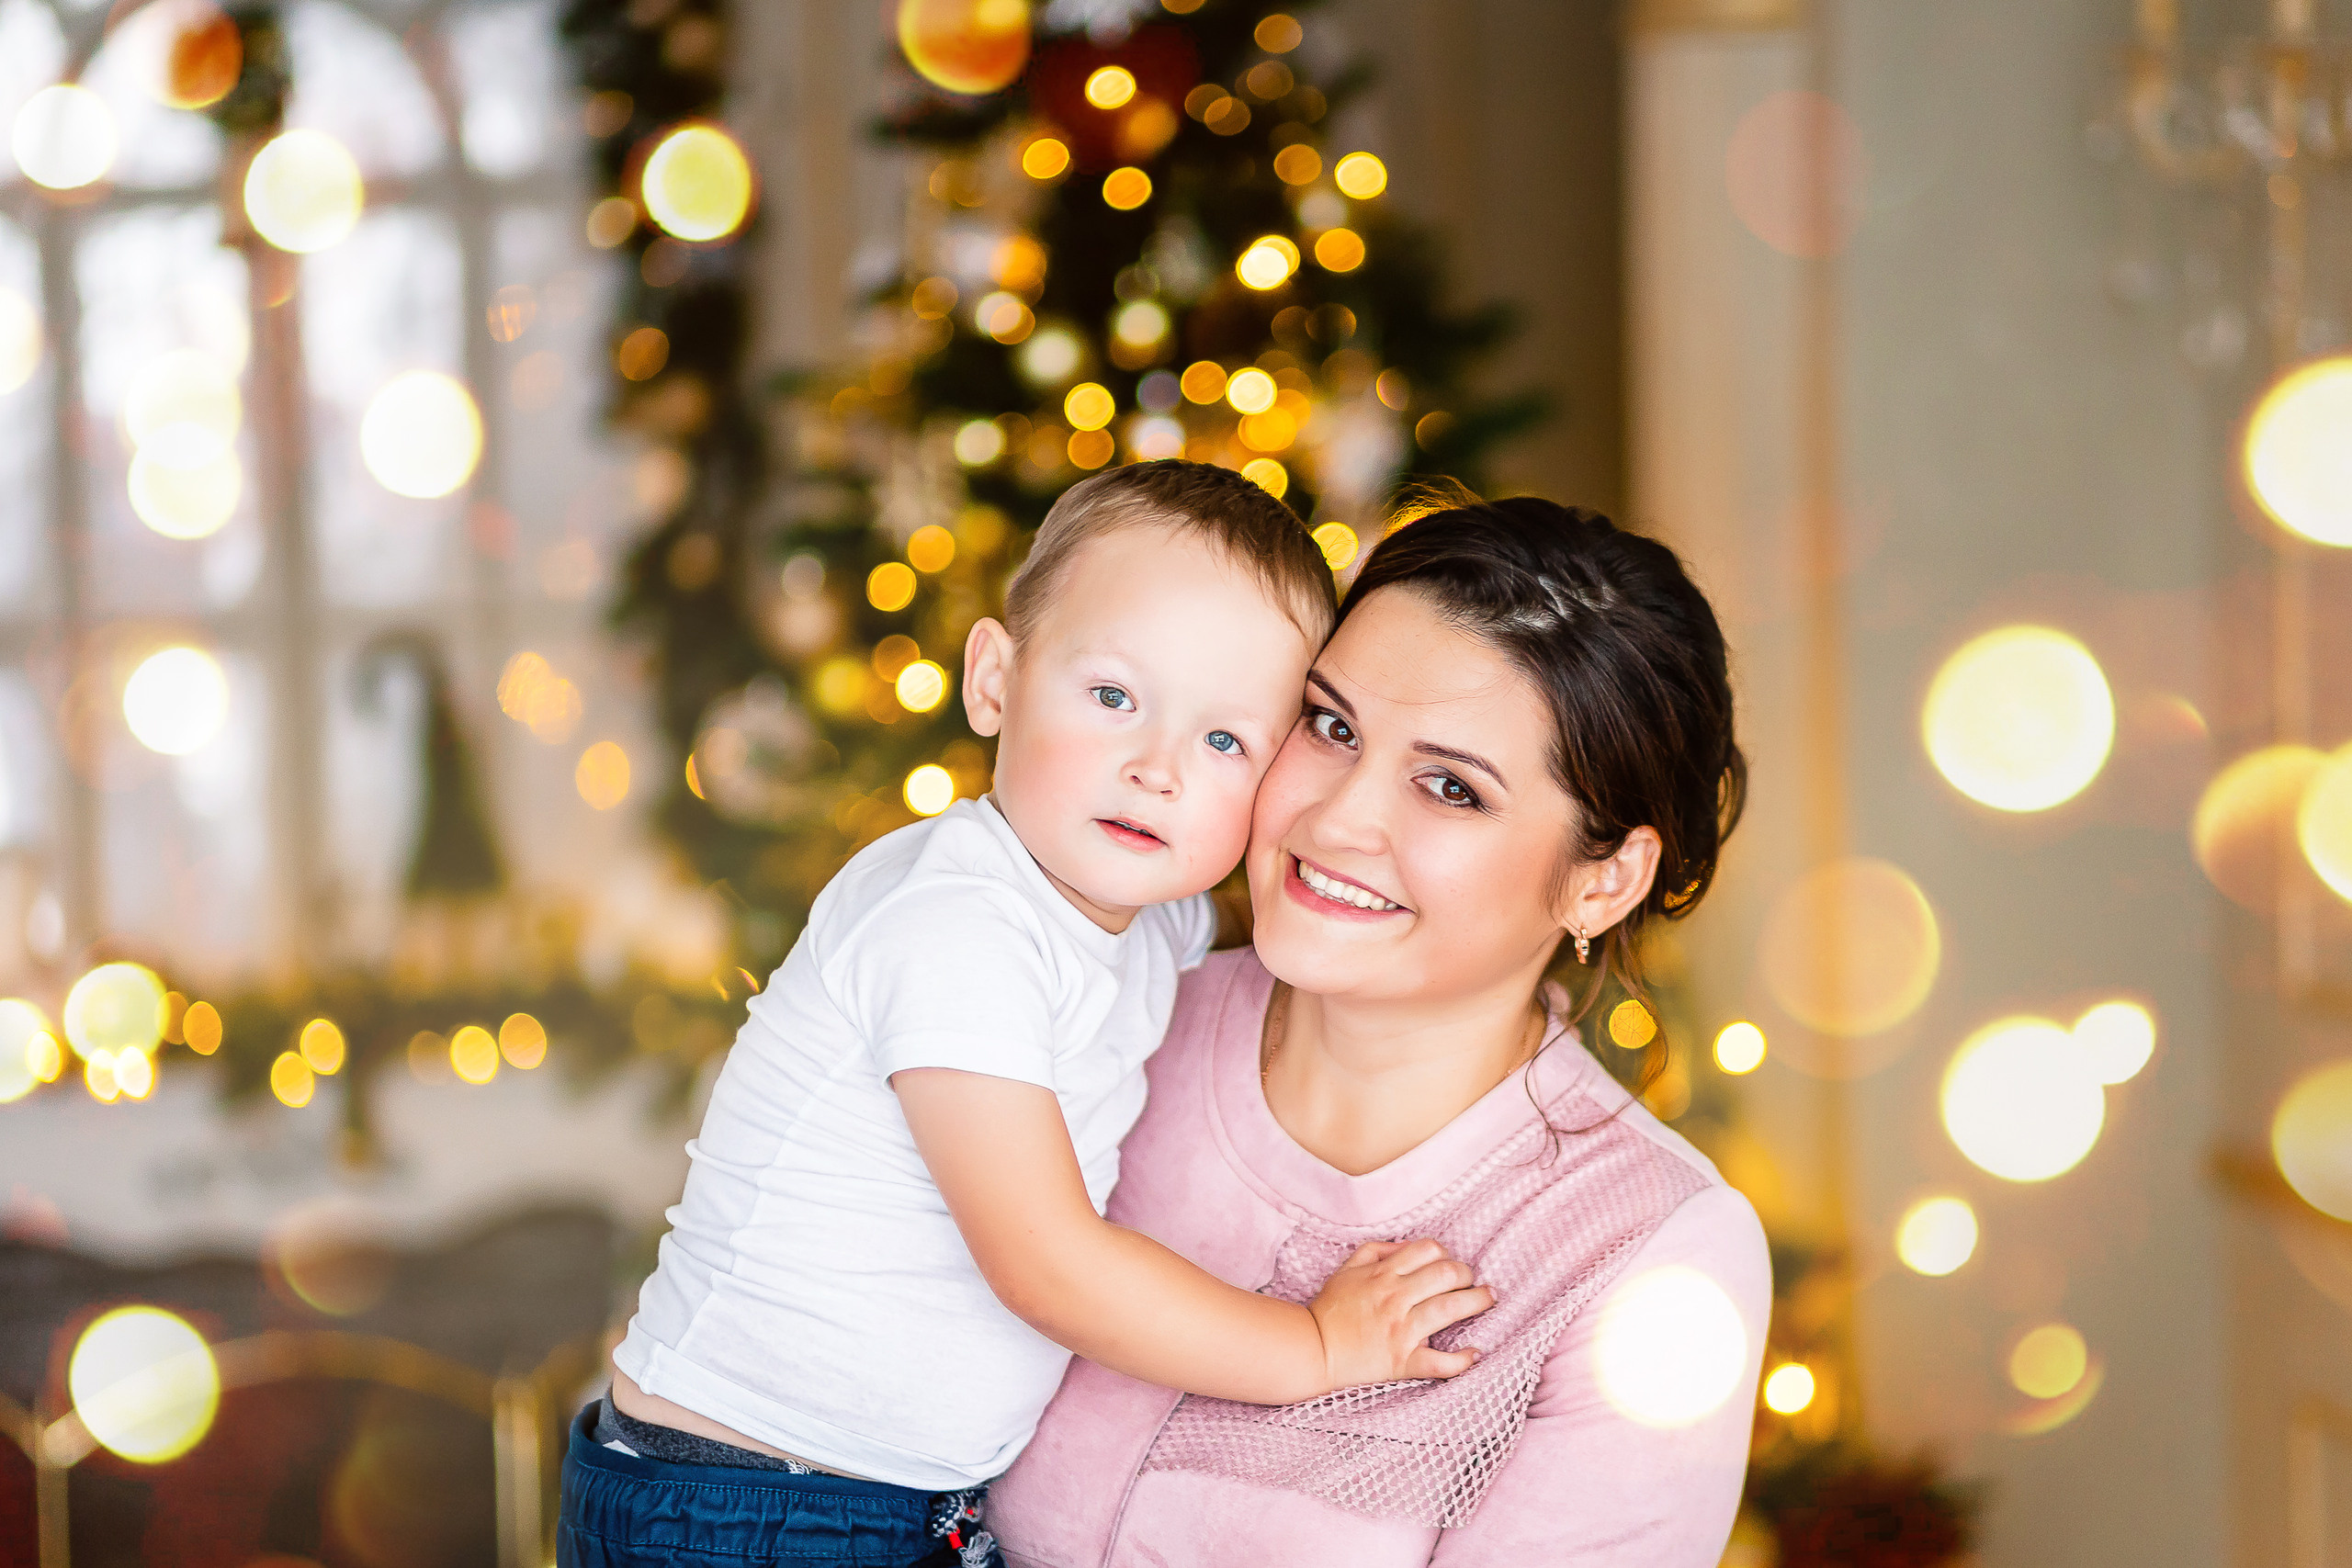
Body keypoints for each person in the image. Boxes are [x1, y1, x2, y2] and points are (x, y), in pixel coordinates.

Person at [559, 462, 1492, 1568]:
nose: (1157, 769)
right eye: (1113, 698)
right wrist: (1316, 1349)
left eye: (1225, 742)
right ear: (995, 681)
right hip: (741, 1498)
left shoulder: (1149, 923)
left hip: (873, 1496)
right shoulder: (956, 924)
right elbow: (1045, 1264)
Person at [989, 496, 1771, 1566]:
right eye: (1331, 726)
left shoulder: (1645, 1256)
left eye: (1451, 788)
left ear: (1602, 880)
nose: (1337, 819)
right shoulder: (1097, 1015)